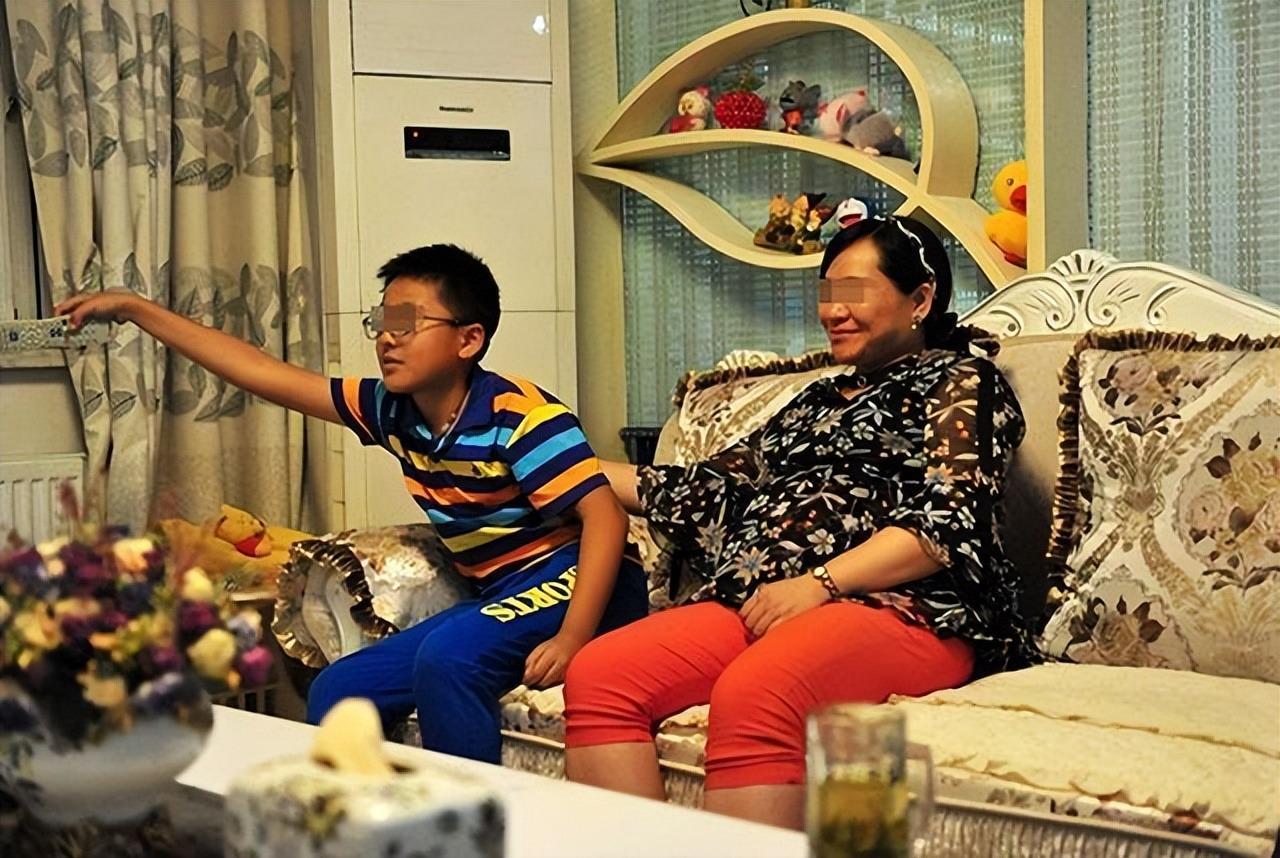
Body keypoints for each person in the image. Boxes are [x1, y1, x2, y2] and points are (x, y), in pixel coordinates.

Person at [58, 243, 648, 763]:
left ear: (469, 339)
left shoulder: (518, 414)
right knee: (339, 690)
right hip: (503, 594)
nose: (387, 338)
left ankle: (472, 829)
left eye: (408, 324)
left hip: (578, 580)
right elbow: (260, 371)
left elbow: (605, 517)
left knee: (448, 660)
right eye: (382, 322)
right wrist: (136, 309)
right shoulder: (392, 410)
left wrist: (572, 637)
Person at [561, 216, 1039, 829]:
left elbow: (949, 517)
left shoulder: (962, 381)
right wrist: (559, 466)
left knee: (757, 693)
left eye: (855, 293)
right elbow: (711, 486)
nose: (833, 311)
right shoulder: (817, 400)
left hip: (910, 608)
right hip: (773, 601)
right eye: (827, 293)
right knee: (600, 676)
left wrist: (820, 584)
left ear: (921, 299)